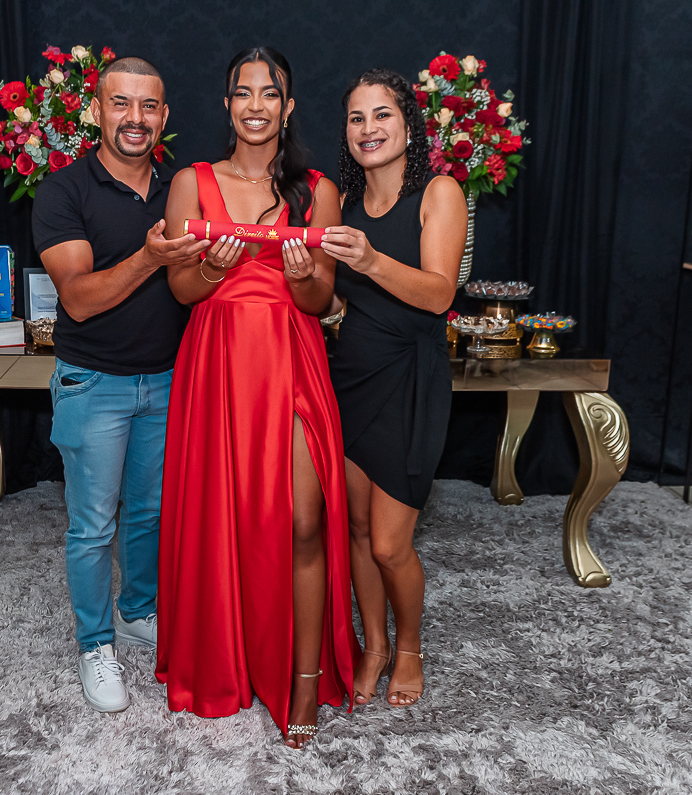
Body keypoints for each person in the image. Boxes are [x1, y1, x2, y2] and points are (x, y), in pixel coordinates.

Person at [154, 46, 358, 749]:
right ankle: (224, 658)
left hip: (290, 355)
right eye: (243, 93)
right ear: (227, 104)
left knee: (303, 520)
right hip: (217, 361)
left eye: (269, 94)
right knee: (222, 515)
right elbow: (182, 290)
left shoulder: (317, 191)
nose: (256, 106)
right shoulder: (191, 182)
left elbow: (321, 297)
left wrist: (302, 277)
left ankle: (303, 677)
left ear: (288, 107)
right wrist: (211, 270)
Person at [31, 57, 210, 713]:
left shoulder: (181, 187)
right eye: (121, 103)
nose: (135, 118)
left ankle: (136, 612)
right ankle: (94, 643)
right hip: (93, 383)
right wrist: (149, 257)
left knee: (150, 514)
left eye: (149, 106)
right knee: (91, 526)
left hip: (167, 381)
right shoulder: (63, 192)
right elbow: (78, 299)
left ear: (164, 116)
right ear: (96, 110)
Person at [321, 68, 467, 708]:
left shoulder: (439, 192)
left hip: (411, 380)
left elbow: (438, 294)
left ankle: (409, 647)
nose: (369, 128)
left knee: (388, 543)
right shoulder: (345, 207)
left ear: (409, 124)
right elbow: (337, 303)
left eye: (382, 114)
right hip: (351, 378)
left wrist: (371, 260)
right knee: (356, 531)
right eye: (357, 118)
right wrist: (312, 290)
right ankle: (374, 645)